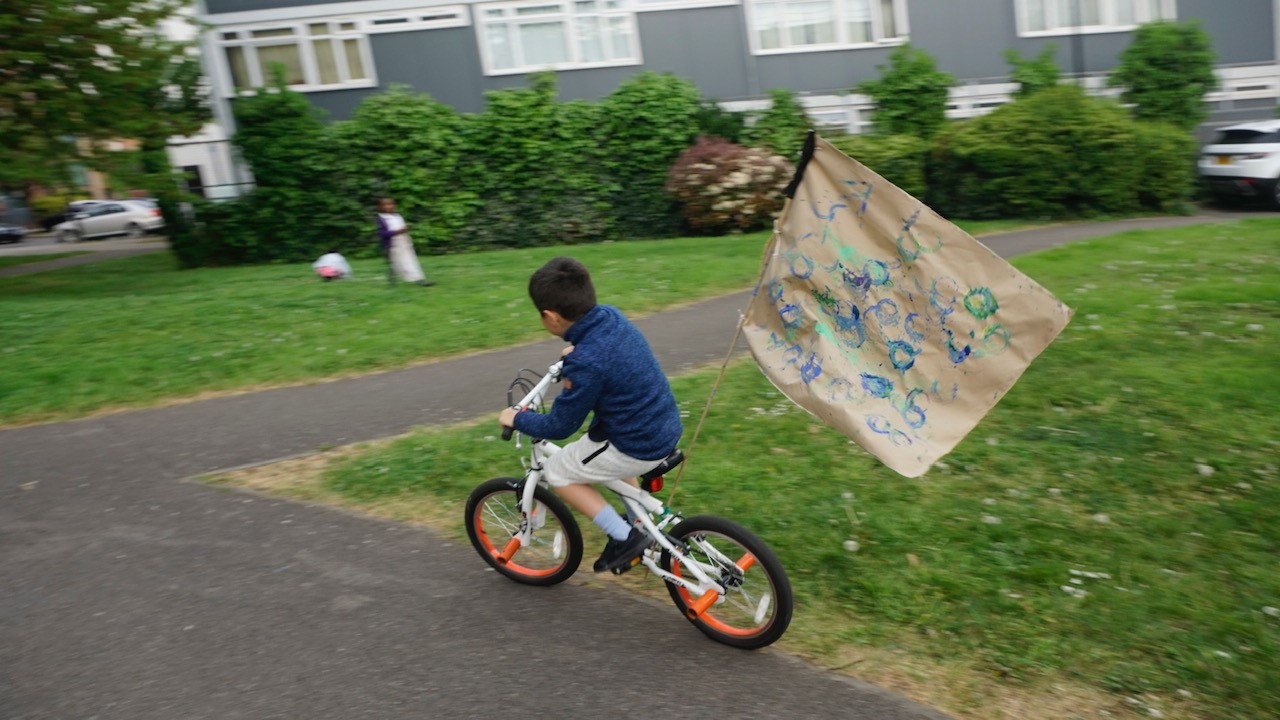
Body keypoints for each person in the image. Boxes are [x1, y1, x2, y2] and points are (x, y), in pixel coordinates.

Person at [498, 257, 683, 573]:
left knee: (558, 472)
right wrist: (577, 350)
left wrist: (517, 418)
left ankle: (626, 538)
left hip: (633, 442)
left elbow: (560, 425)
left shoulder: (587, 363)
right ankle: (639, 521)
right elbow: (606, 354)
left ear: (550, 317)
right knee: (602, 459)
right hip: (663, 425)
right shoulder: (610, 317)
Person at [374, 197, 434, 287]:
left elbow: (402, 229)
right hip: (392, 244)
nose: (390, 206)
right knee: (395, 265)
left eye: (391, 204)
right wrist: (397, 232)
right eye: (386, 205)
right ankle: (392, 283)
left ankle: (420, 280)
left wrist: (405, 229)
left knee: (410, 261)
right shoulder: (381, 218)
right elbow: (382, 233)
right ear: (380, 207)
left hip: (403, 242)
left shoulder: (397, 216)